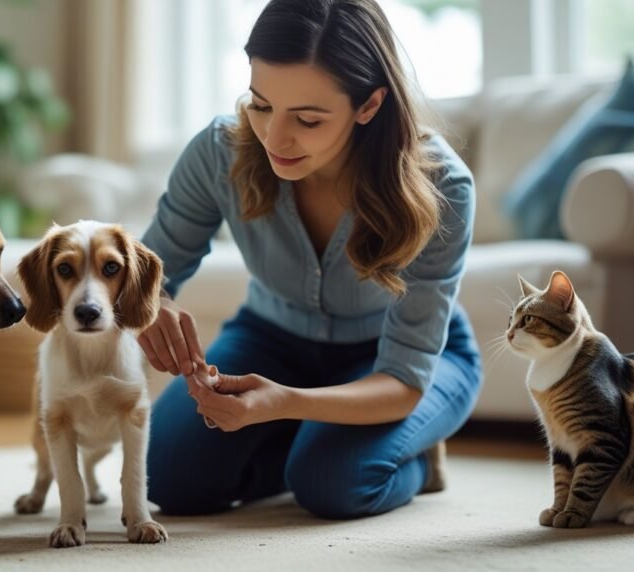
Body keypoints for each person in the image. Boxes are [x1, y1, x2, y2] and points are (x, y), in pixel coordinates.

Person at [137, 0, 482, 520]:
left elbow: (405, 376)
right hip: (271, 337)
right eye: (261, 104)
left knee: (332, 486)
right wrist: (150, 302)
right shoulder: (217, 152)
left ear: (369, 105)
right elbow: (150, 270)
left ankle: (407, 458)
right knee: (169, 476)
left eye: (308, 118)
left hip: (399, 362)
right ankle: (313, 445)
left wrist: (287, 403)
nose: (274, 138)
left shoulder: (442, 188)